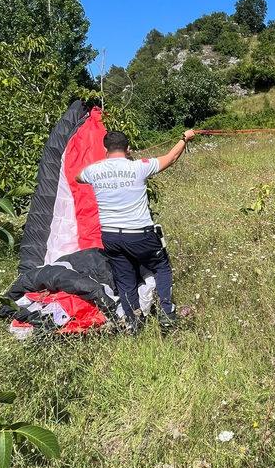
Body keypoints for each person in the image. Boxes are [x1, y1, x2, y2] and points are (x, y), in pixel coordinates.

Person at [77, 129, 196, 330]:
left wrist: (101, 166)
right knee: (161, 266)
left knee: (124, 278)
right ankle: (167, 313)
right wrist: (185, 138)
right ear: (128, 148)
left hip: (111, 235)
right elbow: (171, 157)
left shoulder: (94, 171)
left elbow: (78, 177)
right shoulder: (139, 167)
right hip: (140, 233)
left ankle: (133, 321)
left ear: (105, 149)